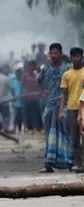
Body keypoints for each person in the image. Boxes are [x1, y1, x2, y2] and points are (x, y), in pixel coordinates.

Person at [39, 43, 72, 172]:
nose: (53, 56)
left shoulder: (68, 67)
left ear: (61, 54)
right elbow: (39, 81)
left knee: (66, 132)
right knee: (49, 133)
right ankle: (49, 162)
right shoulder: (46, 68)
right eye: (51, 53)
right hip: (51, 104)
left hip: (66, 103)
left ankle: (70, 161)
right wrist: (43, 94)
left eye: (56, 53)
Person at [62, 47, 84, 172]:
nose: (75, 58)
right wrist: (61, 110)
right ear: (71, 58)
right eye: (73, 56)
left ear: (82, 57)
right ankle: (79, 164)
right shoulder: (67, 74)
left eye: (78, 56)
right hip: (71, 108)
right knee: (74, 138)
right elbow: (64, 94)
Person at [21, 61, 43, 134]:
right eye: (30, 66)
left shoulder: (37, 75)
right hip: (27, 98)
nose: (31, 68)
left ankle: (40, 129)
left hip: (36, 98)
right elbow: (22, 86)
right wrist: (22, 95)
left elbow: (39, 86)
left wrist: (41, 93)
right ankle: (30, 129)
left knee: (37, 114)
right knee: (28, 114)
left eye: (33, 66)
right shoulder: (25, 75)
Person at [9, 63, 24, 133]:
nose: (19, 72)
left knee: (21, 116)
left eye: (20, 71)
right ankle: (14, 128)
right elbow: (10, 89)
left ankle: (20, 129)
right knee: (15, 116)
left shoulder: (23, 80)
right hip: (15, 101)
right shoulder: (12, 79)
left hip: (23, 101)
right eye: (18, 71)